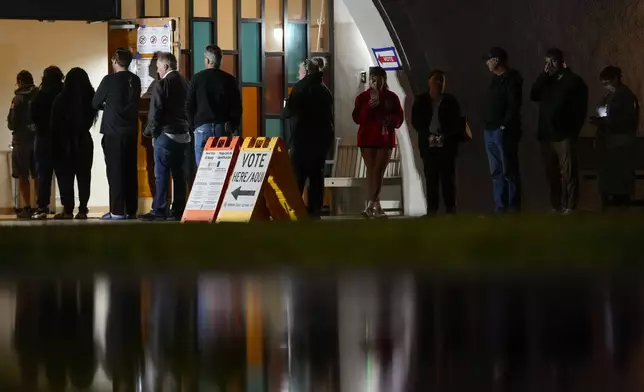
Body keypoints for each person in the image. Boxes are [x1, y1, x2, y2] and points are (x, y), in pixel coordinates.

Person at [530, 48, 588, 214]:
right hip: (546, 135)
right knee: (551, 174)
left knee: (569, 173)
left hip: (564, 135)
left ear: (562, 62)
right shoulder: (547, 80)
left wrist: (573, 130)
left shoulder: (573, 81)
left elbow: (580, 109)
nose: (550, 65)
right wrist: (543, 75)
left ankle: (571, 207)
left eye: (553, 61)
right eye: (547, 62)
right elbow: (533, 94)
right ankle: (556, 206)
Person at [140, 52, 190, 221]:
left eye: (158, 67)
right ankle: (178, 210)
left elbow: (155, 113)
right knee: (179, 174)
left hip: (166, 135)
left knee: (161, 174)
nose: (157, 71)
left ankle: (159, 210)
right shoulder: (186, 84)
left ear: (166, 66)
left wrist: (150, 134)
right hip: (184, 135)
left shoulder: (162, 85)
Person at [282, 57, 334, 219]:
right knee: (316, 177)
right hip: (320, 141)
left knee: (297, 176)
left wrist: (285, 106)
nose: (298, 73)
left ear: (306, 71)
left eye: (299, 71)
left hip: (302, 139)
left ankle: (295, 210)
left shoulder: (300, 88)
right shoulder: (324, 89)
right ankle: (314, 210)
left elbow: (289, 112)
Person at [93, 47, 142, 220]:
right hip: (131, 131)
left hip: (113, 131)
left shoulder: (109, 80)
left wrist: (106, 105)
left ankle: (117, 211)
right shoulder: (135, 80)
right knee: (130, 169)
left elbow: (95, 102)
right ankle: (131, 209)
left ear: (114, 61)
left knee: (115, 171)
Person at [352, 66, 404, 218]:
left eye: (378, 79)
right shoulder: (363, 98)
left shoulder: (391, 97)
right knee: (373, 171)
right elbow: (357, 118)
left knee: (377, 170)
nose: (374, 82)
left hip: (384, 138)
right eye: (372, 79)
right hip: (367, 138)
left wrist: (390, 119)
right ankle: (376, 206)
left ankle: (370, 204)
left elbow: (398, 118)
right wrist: (369, 106)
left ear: (384, 80)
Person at [411, 70, 463, 215]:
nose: (438, 83)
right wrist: (427, 134)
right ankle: (432, 209)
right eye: (436, 80)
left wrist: (446, 135)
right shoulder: (421, 100)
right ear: (429, 82)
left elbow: (457, 122)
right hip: (428, 146)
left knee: (448, 178)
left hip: (446, 145)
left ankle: (450, 208)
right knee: (431, 178)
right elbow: (415, 121)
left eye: (441, 80)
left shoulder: (450, 101)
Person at [50, 68, 98, 220]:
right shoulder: (90, 98)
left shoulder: (61, 99)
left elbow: (54, 124)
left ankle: (68, 209)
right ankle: (83, 209)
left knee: (65, 177)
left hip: (64, 142)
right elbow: (90, 119)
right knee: (84, 177)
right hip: (84, 141)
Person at [590, 66, 639, 210]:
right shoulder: (611, 95)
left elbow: (623, 120)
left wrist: (604, 122)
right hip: (611, 143)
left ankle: (620, 203)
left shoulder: (624, 96)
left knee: (619, 179)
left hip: (619, 144)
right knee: (612, 178)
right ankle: (614, 202)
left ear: (616, 79)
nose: (605, 86)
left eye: (607, 82)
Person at [482, 47, 523, 214]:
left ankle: (512, 206)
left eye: (489, 60)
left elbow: (513, 105)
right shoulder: (494, 80)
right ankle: (500, 206)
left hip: (502, 130)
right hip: (490, 130)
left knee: (508, 169)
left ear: (496, 60)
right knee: (496, 171)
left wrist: (504, 125)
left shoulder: (511, 79)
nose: (487, 63)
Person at [186, 44, 242, 165]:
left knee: (202, 170)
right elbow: (237, 107)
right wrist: (232, 126)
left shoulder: (197, 79)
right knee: (222, 169)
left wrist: (193, 126)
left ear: (207, 60)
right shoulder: (230, 80)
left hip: (201, 128)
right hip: (223, 128)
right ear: (220, 61)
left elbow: (189, 106)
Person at [30, 66, 64, 220]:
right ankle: (67, 208)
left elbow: (33, 115)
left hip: (43, 138)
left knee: (44, 176)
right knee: (63, 175)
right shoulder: (63, 93)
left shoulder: (40, 94)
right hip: (61, 139)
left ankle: (42, 207)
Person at [7, 70, 38, 219]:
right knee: (38, 175)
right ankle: (40, 206)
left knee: (23, 175)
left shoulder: (17, 99)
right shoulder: (39, 95)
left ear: (19, 81)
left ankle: (27, 207)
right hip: (38, 140)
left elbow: (12, 123)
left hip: (21, 142)